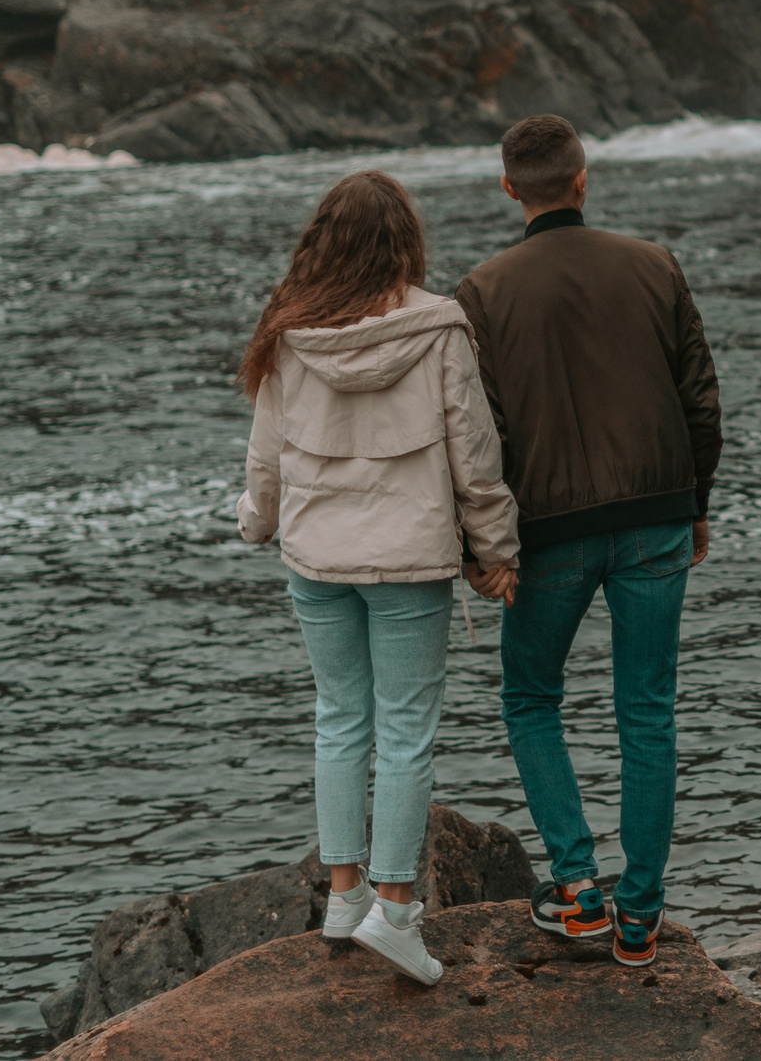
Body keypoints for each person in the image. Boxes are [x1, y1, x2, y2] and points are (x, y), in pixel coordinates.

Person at [236, 170, 520, 986]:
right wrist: (496, 550)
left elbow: (266, 458)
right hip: (406, 560)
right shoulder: (439, 327)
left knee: (339, 720)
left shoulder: (289, 332)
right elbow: (476, 454)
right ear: (405, 242)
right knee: (403, 733)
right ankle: (395, 914)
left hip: (317, 558)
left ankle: (343, 892)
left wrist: (258, 522)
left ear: (321, 242)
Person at [455, 114, 722, 968]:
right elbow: (701, 401)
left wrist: (483, 548)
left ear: (509, 188)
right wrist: (697, 505)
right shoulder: (654, 264)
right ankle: (640, 915)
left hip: (549, 534)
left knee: (531, 698)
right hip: (655, 517)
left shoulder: (482, 291)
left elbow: (479, 436)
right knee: (648, 710)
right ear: (582, 177)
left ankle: (576, 890)